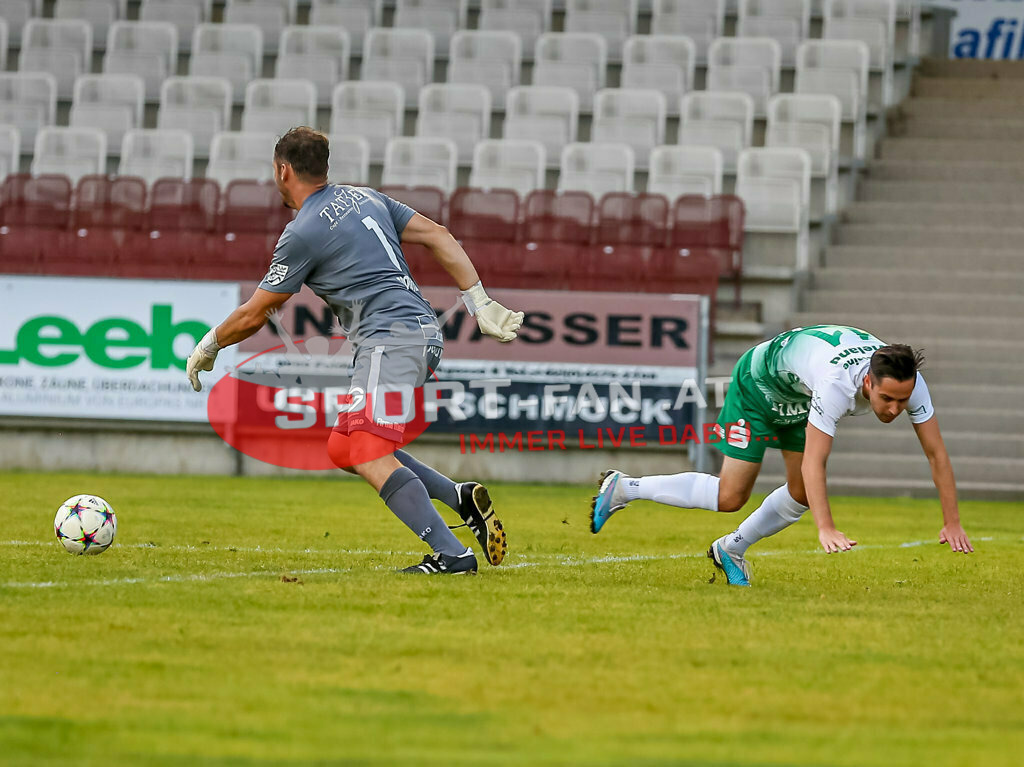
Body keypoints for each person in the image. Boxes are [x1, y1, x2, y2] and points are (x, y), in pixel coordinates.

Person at [185, 127, 524, 575]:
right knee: (345, 446)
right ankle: (458, 497)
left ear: (282, 170)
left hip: (392, 337)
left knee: (365, 446)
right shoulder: (367, 197)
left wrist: (209, 345)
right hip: (414, 331)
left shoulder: (301, 231)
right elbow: (439, 234)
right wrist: (478, 301)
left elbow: (258, 311)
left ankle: (452, 555)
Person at [590, 324, 974, 586]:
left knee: (802, 492)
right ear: (868, 382)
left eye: (901, 401)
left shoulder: (912, 384)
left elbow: (937, 454)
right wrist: (825, 528)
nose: (893, 409)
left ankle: (730, 550)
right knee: (730, 497)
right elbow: (815, 462)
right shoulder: (837, 386)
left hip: (797, 391)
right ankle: (625, 487)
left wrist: (952, 522)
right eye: (886, 399)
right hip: (759, 384)